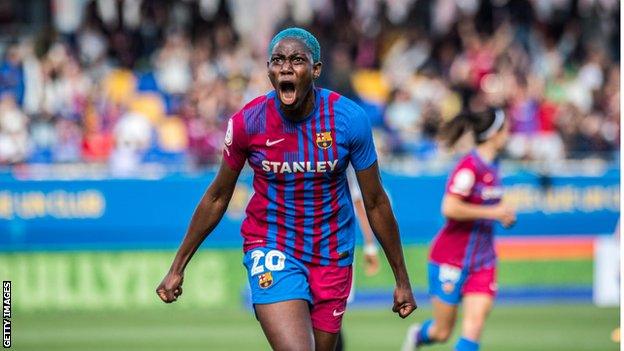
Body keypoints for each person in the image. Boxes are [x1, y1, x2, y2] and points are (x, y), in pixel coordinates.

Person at [156, 27, 416, 351]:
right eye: (278, 60)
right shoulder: (247, 124)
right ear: (268, 69)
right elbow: (217, 196)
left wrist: (402, 280)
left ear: (316, 70)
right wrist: (177, 267)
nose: (286, 68)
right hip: (272, 245)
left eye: (297, 60)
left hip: (331, 253)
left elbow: (375, 202)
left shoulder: (349, 120)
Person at [402, 108, 516, 351]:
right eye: (506, 129)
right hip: (450, 260)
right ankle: (418, 335)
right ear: (495, 133)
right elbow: (450, 207)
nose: (509, 134)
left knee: (473, 329)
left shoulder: (495, 165)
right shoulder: (469, 167)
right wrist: (494, 213)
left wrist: (502, 214)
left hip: (483, 261)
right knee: (442, 332)